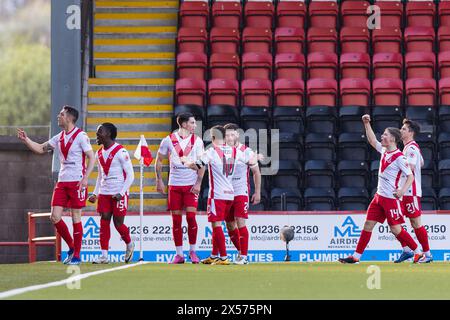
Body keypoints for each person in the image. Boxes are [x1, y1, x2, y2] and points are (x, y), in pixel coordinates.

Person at [339, 115, 424, 264]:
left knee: (396, 229)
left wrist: (402, 191)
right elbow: (372, 140)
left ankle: (418, 252)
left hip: (390, 199)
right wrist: (366, 123)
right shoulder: (385, 151)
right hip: (379, 197)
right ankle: (356, 257)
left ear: (392, 139)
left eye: (385, 134)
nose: (382, 136)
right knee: (368, 225)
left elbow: (410, 176)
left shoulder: (400, 157)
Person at [17, 105, 95, 265]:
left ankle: (77, 255)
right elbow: (40, 148)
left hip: (77, 182)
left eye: (61, 114)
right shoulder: (58, 137)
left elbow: (92, 157)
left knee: (75, 216)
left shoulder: (81, 136)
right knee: (55, 217)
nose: (58, 116)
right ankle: (72, 247)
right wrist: (26, 140)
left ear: (69, 118)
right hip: (62, 181)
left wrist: (86, 178)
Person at [181, 125, 248, 265]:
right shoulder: (235, 151)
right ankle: (217, 255)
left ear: (212, 138)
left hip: (217, 195)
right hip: (231, 194)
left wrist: (186, 161)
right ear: (224, 137)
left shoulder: (212, 151)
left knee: (216, 225)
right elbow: (250, 161)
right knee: (219, 225)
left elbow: (196, 166)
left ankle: (223, 257)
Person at [155, 113, 205, 264]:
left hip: (190, 185)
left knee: (191, 218)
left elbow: (202, 163)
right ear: (183, 124)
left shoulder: (197, 141)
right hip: (174, 185)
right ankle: (179, 254)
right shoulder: (168, 140)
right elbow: (159, 160)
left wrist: (198, 183)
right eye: (192, 123)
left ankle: (193, 251)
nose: (195, 126)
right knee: (176, 221)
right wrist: (159, 180)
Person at [88, 123, 135, 264]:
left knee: (118, 224)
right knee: (104, 222)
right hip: (104, 193)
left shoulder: (121, 152)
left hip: (118, 193)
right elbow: (100, 176)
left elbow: (131, 175)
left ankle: (129, 244)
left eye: (99, 132)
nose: (96, 135)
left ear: (108, 133)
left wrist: (121, 192)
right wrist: (95, 193)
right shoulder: (99, 153)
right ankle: (104, 255)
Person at [221, 123, 261, 265]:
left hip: (240, 191)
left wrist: (257, 192)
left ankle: (244, 256)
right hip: (225, 192)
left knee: (240, 221)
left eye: (232, 134)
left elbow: (256, 172)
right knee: (230, 225)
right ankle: (240, 252)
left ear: (238, 135)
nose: (230, 137)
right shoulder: (220, 151)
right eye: (226, 135)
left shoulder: (247, 152)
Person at [394, 119, 432, 263]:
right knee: (394, 223)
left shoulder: (411, 148)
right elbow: (420, 162)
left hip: (410, 192)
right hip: (403, 192)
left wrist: (392, 167)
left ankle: (427, 255)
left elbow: (409, 167)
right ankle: (407, 250)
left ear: (411, 132)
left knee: (416, 223)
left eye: (404, 129)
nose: (401, 130)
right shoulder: (409, 148)